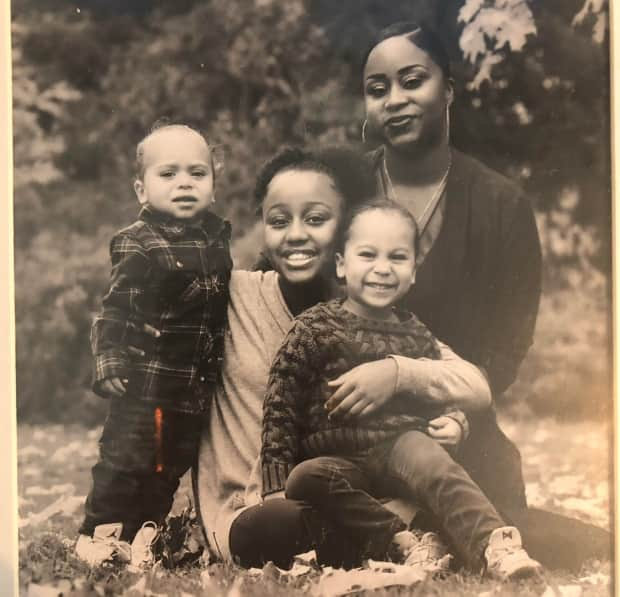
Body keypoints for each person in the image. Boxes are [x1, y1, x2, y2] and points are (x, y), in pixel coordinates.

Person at [351, 21, 611, 570]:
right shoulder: (345, 187)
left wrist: (461, 417)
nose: (394, 100)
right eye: (378, 89)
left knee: (488, 520)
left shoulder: (500, 205)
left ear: (448, 88)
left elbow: (505, 347)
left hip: (458, 432)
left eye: (412, 81)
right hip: (350, 431)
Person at [192, 146, 493, 569]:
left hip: (352, 494)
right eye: (278, 221)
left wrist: (397, 374)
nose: (296, 234)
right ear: (263, 227)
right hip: (255, 508)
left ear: (344, 231)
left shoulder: (368, 310)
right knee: (282, 521)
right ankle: (420, 536)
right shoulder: (232, 295)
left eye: (316, 219)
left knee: (378, 497)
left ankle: (411, 540)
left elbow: (474, 384)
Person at [261, 199, 543, 580]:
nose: (382, 268)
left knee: (434, 463)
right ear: (343, 264)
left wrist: (456, 421)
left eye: (397, 257)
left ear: (413, 272)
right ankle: (408, 541)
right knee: (306, 477)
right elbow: (281, 403)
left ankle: (496, 544)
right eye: (368, 255)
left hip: (400, 447)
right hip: (338, 458)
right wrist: (274, 484)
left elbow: (442, 392)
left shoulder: (415, 332)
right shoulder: (315, 327)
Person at [76, 123, 232, 569]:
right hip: (146, 385)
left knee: (169, 469)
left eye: (197, 174)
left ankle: (147, 533)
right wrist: (110, 359)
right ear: (142, 189)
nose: (184, 183)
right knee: (125, 461)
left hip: (192, 391)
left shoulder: (217, 240)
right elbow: (115, 310)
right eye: (169, 174)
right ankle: (99, 534)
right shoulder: (139, 244)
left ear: (213, 188)